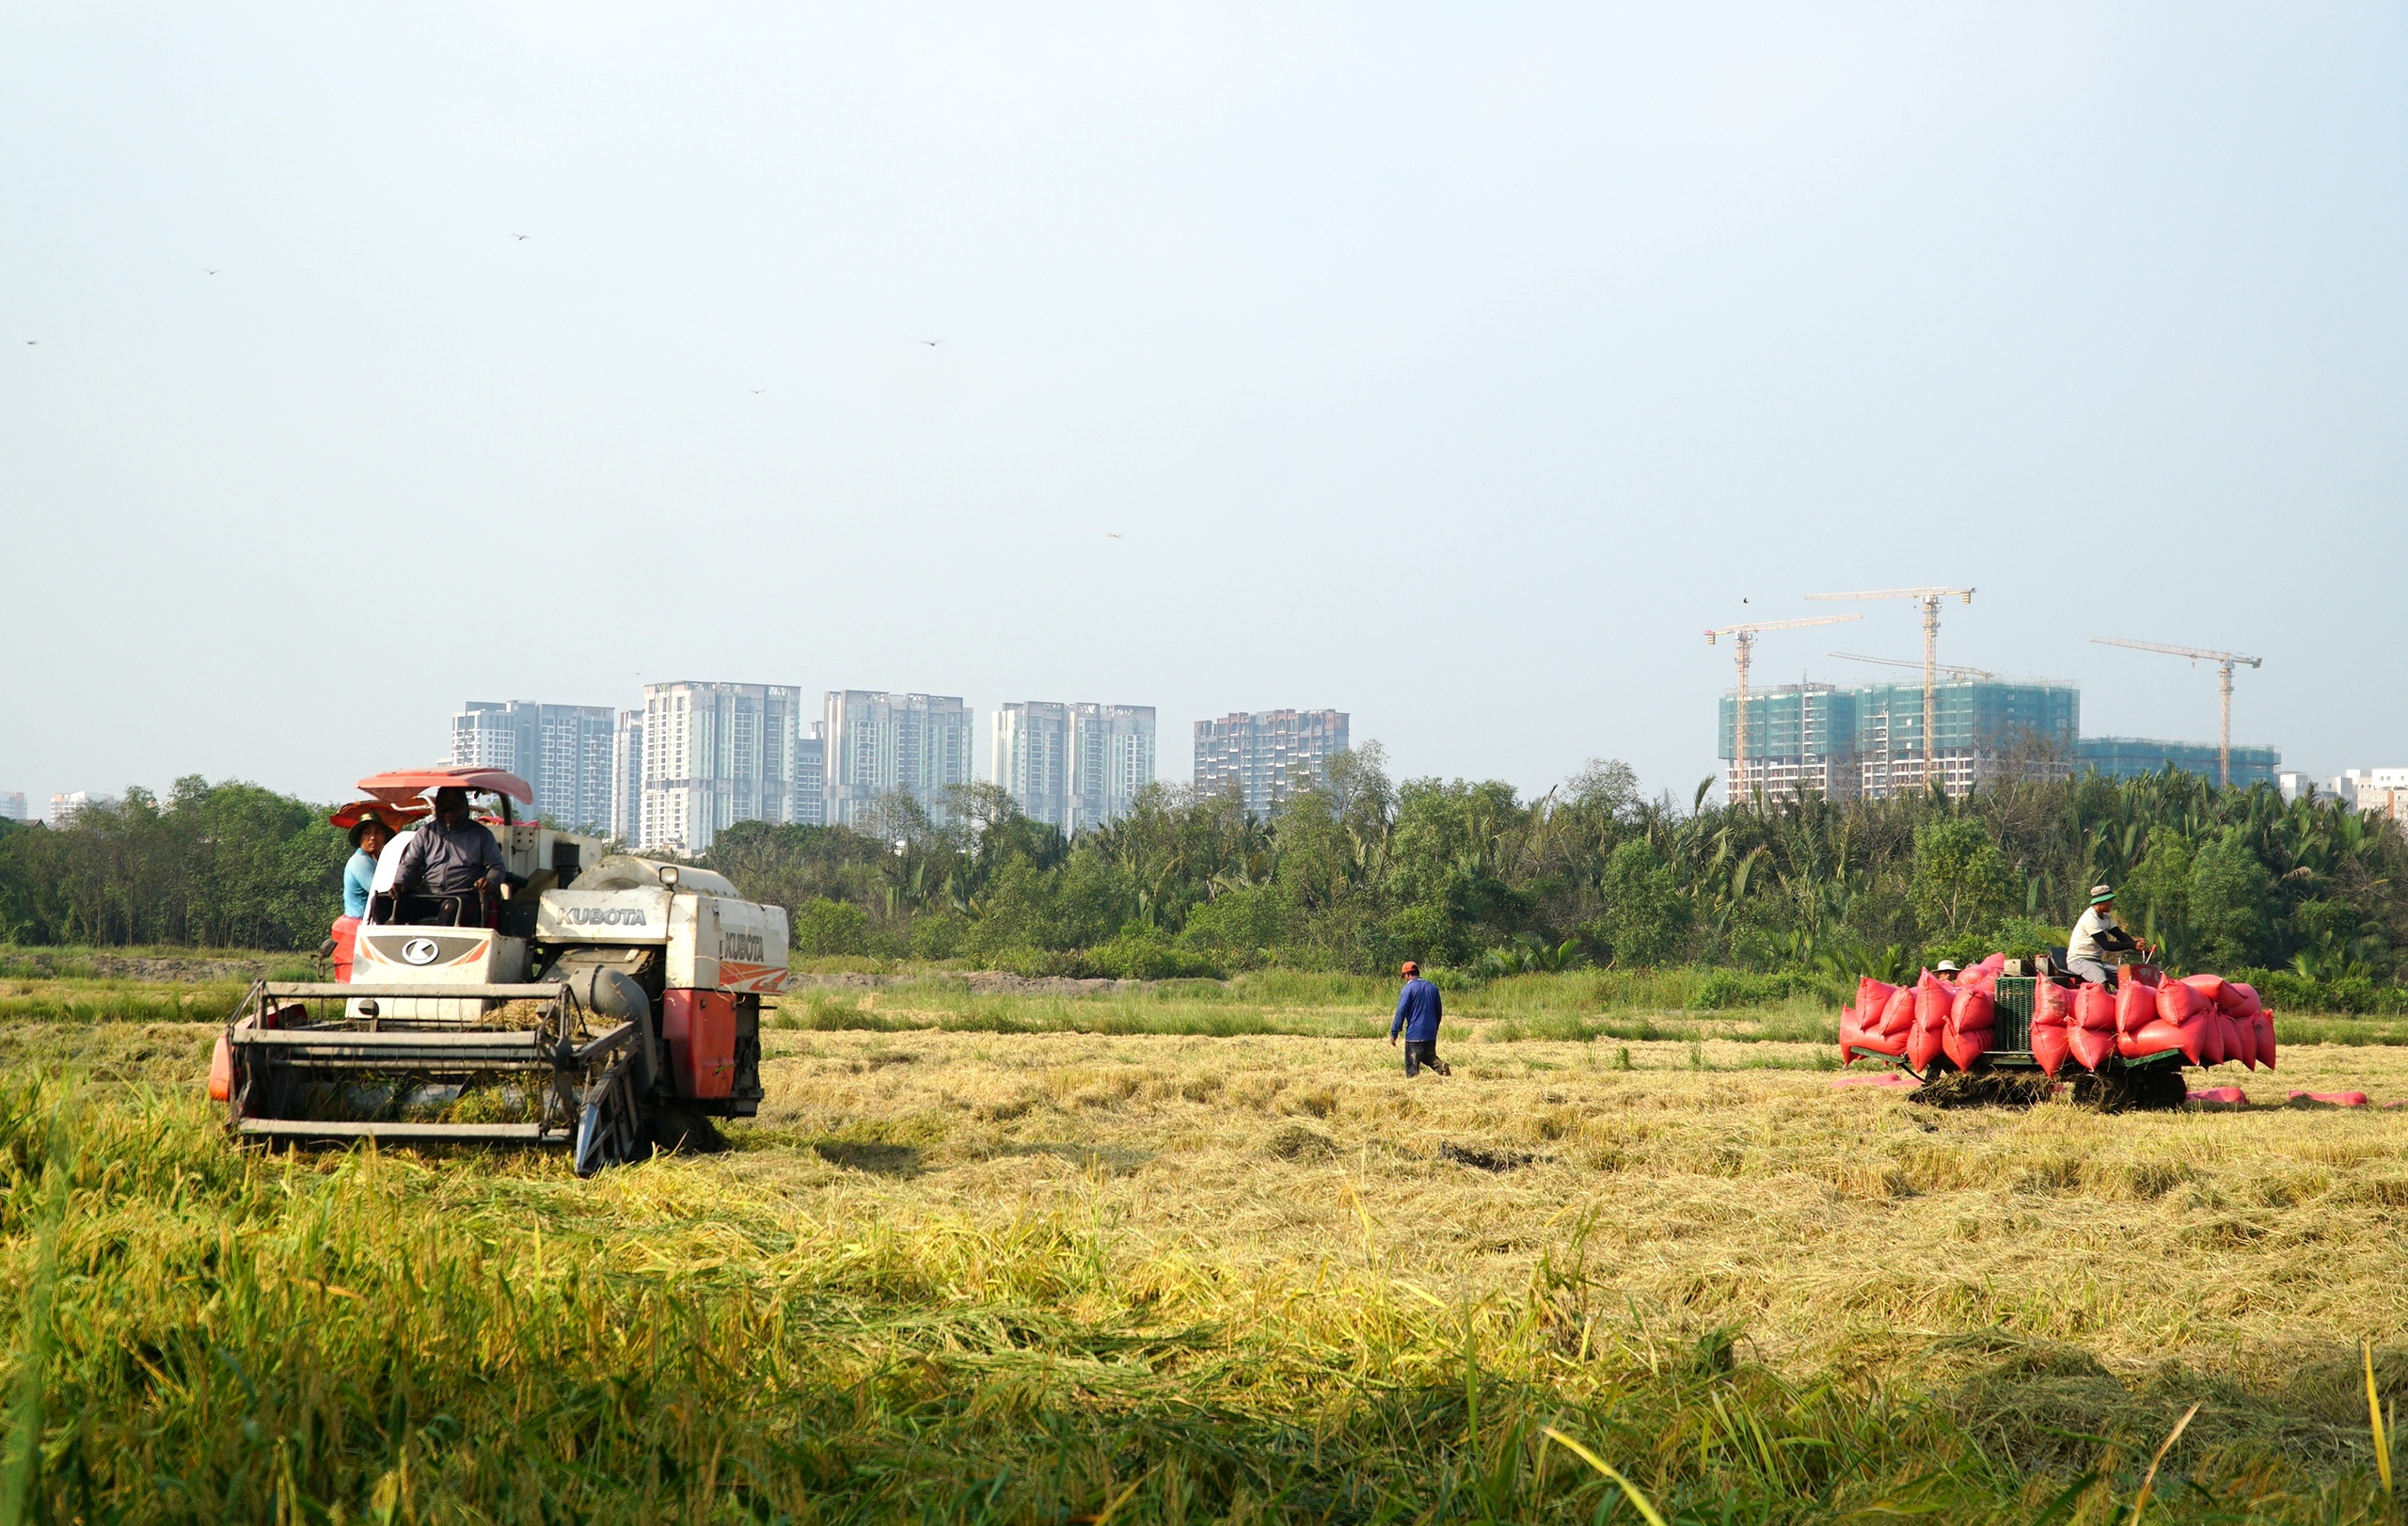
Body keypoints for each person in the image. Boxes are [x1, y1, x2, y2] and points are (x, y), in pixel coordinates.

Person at [388, 786, 508, 916]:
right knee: (384, 903)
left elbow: (497, 867)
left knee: (450, 908)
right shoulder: (425, 833)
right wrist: (399, 882)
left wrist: (489, 881)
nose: (448, 807)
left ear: (464, 805)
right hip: (429, 894)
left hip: (464, 895)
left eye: (454, 802)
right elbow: (409, 864)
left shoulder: (481, 834)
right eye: (443, 802)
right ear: (437, 805)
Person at [2065, 883, 2146, 986]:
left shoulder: (2106, 918)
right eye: (2109, 901)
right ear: (2101, 901)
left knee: (2126, 978)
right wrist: (2132, 945)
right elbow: (2106, 945)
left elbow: (2121, 936)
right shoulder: (2090, 918)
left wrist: (2138, 946)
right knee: (2102, 981)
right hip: (2079, 960)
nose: (2111, 904)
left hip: (2097, 961)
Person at [1389, 961, 1450, 1077]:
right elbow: (1439, 1011)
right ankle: (1441, 1067)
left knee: (1412, 1063)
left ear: (1407, 975)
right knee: (1428, 1056)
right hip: (1430, 1032)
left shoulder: (1408, 989)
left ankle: (1414, 1085)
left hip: (1415, 1034)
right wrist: (1434, 1027)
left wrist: (1394, 1032)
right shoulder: (1433, 988)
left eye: (1404, 977)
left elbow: (1401, 1011)